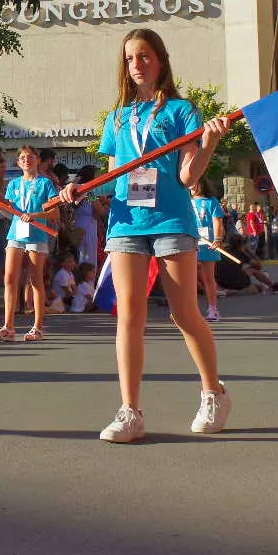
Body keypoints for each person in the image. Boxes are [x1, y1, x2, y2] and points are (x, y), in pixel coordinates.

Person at [63, 28, 232, 443]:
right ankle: (130, 411)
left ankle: (214, 392)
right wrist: (75, 188)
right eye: (129, 59)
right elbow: (113, 176)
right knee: (128, 315)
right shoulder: (118, 117)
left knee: (183, 313)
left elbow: (188, 175)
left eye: (143, 56)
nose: (136, 65)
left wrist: (208, 142)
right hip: (125, 223)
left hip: (172, 221)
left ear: (160, 59)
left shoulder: (181, 111)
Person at [0, 146, 56, 342]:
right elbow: (9, 214)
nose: (26, 160)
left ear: (37, 160)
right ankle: (8, 327)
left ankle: (37, 327)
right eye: (22, 158)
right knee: (10, 278)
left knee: (35, 280)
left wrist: (35, 215)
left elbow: (55, 213)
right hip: (16, 233)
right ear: (18, 163)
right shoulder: (13, 184)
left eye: (30, 157)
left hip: (37, 234)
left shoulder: (46, 183)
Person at [191, 181, 226, 324]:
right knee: (189, 278)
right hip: (191, 242)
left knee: (208, 278)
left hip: (208, 243)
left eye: (195, 183)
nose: (192, 187)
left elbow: (217, 221)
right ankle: (189, 310)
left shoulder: (212, 201)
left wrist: (218, 238)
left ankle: (213, 309)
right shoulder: (186, 201)